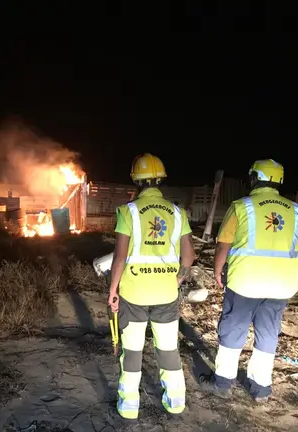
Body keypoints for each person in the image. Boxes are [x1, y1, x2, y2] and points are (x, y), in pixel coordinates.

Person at [200, 159, 298, 403]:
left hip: (245, 282)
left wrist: (218, 271)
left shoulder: (242, 207)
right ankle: (260, 389)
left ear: (253, 178)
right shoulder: (297, 211)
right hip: (280, 286)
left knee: (233, 329)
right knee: (268, 333)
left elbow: (223, 244)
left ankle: (223, 382)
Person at [108, 153, 196, 419]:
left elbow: (120, 257)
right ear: (160, 179)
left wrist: (113, 290)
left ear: (135, 179)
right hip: (166, 293)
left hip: (133, 293)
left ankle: (129, 405)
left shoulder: (128, 211)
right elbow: (189, 257)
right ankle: (176, 401)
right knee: (168, 348)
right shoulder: (178, 213)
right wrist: (177, 279)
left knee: (132, 350)